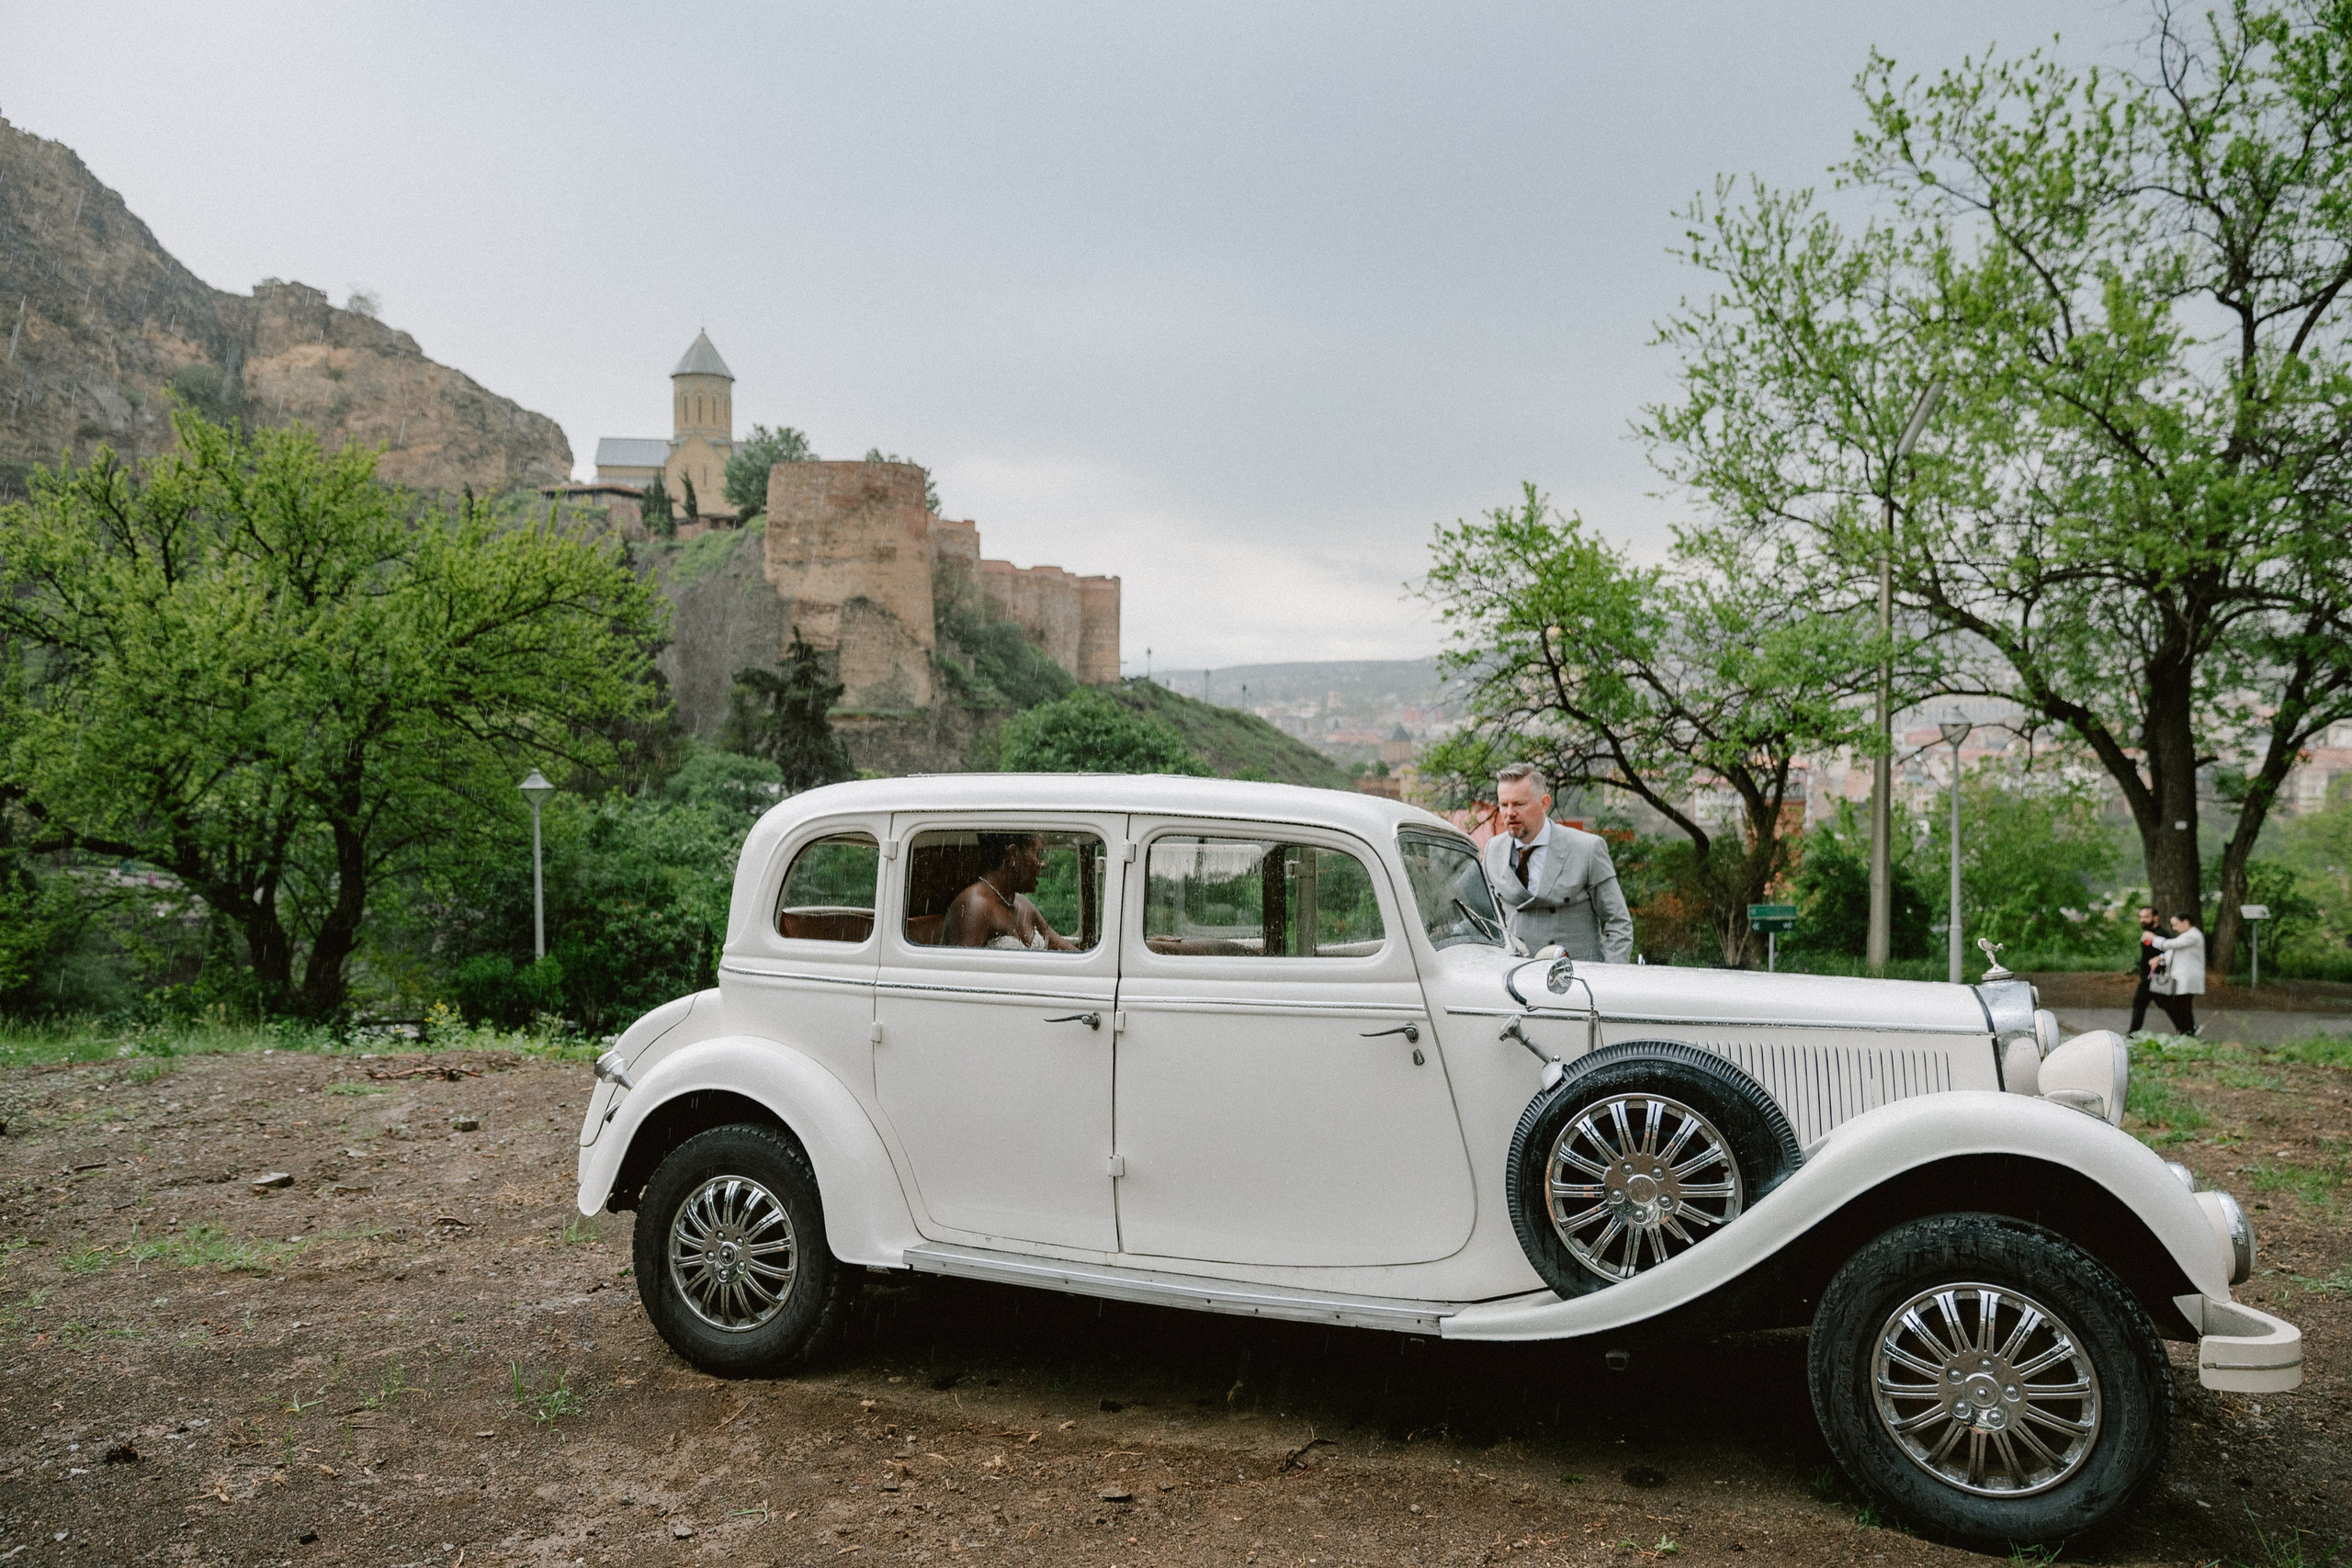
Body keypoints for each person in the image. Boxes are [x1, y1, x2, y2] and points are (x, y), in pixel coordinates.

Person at [1479, 761, 1634, 964]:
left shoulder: (1587, 849)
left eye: (1519, 804)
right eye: (1503, 805)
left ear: (1544, 803)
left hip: (1576, 982)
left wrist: (1606, 981)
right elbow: (1483, 920)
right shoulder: (1493, 851)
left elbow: (1618, 923)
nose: (1509, 813)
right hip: (1519, 981)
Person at [942, 831, 1079, 951]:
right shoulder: (976, 905)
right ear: (1013, 855)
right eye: (1038, 854)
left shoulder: (1023, 904)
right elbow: (964, 974)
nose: (1042, 864)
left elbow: (1066, 951)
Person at [2145, 911, 2205, 1036]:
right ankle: (2187, 1030)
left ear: (2186, 922)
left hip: (2187, 977)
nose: (2174, 928)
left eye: (2176, 925)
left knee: (2181, 1005)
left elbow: (2169, 945)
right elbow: (2174, 951)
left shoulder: (2193, 935)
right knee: (2181, 1005)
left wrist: (2153, 938)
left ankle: (2187, 1030)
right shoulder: (2186, 935)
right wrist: (2160, 958)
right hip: (2182, 976)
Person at [2128, 905, 2160, 1033]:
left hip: (2155, 977)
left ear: (2155, 917)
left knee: (2139, 1004)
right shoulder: (2147, 934)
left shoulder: (2161, 935)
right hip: (2147, 976)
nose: (2143, 920)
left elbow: (2168, 953)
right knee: (2167, 1005)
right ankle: (2186, 1028)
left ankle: (2133, 1033)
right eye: (2141, 917)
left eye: (2146, 917)